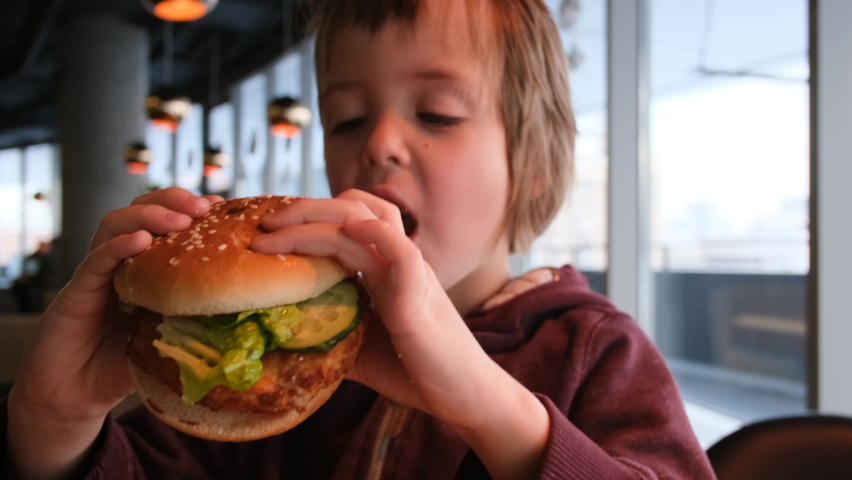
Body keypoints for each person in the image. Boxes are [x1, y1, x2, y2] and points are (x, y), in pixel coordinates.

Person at [1, 1, 715, 478]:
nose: (378, 144)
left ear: (532, 170)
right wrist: (54, 423)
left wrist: (485, 403)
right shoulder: (295, 367)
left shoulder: (596, 351)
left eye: (435, 113)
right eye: (345, 120)